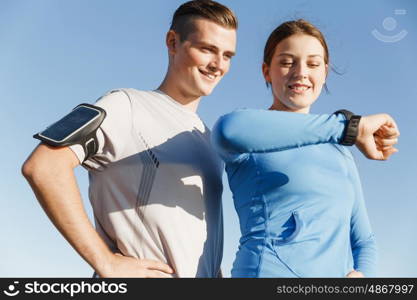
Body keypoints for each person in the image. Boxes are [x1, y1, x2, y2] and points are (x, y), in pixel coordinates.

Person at [22, 0, 237, 278]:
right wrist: (106, 262)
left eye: (228, 55)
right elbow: (43, 167)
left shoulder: (208, 140)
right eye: (207, 49)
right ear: (173, 42)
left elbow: (198, 241)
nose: (217, 64)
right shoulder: (126, 105)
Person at [211, 19, 400, 277]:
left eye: (312, 64)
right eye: (287, 62)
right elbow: (228, 130)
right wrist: (351, 127)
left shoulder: (340, 149)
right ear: (267, 71)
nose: (301, 72)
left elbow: (364, 240)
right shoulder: (252, 135)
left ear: (325, 72)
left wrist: (363, 276)